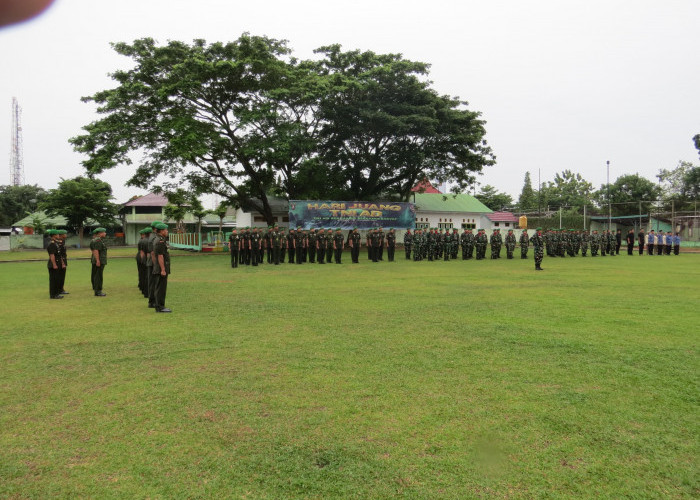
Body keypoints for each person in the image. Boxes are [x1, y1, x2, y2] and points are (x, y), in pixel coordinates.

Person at [152, 223, 171, 313]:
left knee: (160, 287)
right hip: (160, 268)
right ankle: (160, 307)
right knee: (161, 288)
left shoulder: (159, 239)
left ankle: (159, 306)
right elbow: (160, 256)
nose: (167, 231)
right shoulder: (160, 241)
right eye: (166, 230)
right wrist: (163, 269)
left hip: (159, 267)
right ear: (162, 231)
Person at [146, 220, 161, 307]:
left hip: (152, 262)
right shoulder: (153, 237)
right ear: (155, 229)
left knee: (153, 282)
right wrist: (156, 265)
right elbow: (152, 253)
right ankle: (152, 302)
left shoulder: (153, 236)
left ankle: (153, 301)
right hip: (153, 263)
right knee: (153, 283)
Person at [90, 227, 108, 296]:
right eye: (104, 232)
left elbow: (92, 249)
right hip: (99, 260)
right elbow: (96, 250)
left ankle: (97, 290)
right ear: (100, 233)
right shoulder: (98, 240)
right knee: (98, 276)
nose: (105, 233)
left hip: (98, 260)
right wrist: (98, 260)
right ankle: (98, 291)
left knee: (97, 275)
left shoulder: (96, 240)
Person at [46, 230, 62, 299]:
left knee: (57, 279)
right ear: (54, 235)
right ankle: (53, 295)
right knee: (53, 280)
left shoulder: (55, 243)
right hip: (53, 264)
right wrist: (54, 264)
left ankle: (56, 293)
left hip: (57, 263)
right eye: (57, 234)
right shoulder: (52, 244)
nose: (58, 235)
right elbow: (52, 255)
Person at [137, 227, 151, 295]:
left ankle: (142, 287)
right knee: (146, 275)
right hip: (146, 259)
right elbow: (148, 253)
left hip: (142, 258)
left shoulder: (141, 240)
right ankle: (146, 291)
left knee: (142, 274)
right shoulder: (148, 241)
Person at [57, 229, 69, 294]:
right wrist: (62, 263)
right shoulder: (59, 242)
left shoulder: (63, 241)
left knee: (62, 276)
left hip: (63, 260)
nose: (66, 235)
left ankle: (61, 289)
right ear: (61, 235)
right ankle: (59, 289)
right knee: (60, 276)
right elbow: (60, 254)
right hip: (61, 261)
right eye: (65, 234)